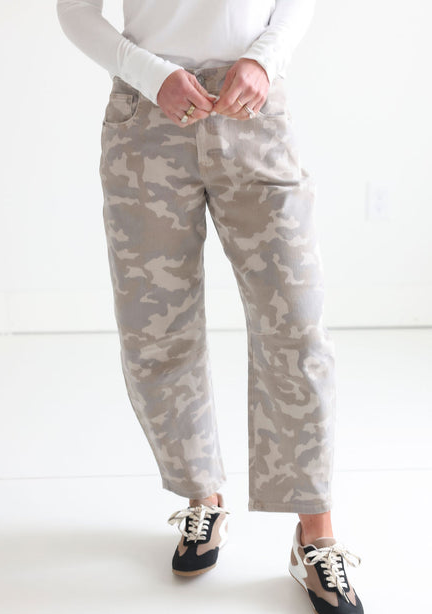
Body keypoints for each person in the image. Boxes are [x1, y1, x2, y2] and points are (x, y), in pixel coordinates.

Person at [56, 1, 364, 612]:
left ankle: (315, 534)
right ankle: (204, 498)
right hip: (148, 113)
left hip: (253, 106)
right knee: (156, 327)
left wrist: (264, 59)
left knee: (297, 327)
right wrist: (153, 75)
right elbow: (74, 11)